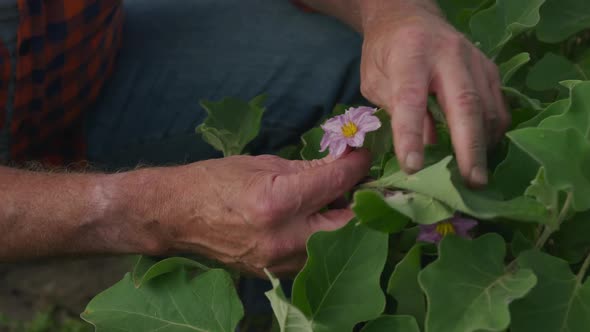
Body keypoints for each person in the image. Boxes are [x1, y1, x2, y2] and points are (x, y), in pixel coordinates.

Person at [0, 0, 509, 278]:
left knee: (335, 63)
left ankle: (269, 286)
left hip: (90, 68)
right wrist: (145, 210)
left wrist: (392, 13)